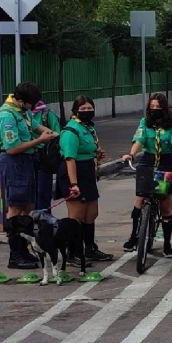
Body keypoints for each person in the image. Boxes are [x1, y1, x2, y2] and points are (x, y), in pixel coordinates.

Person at [0, 82, 58, 269]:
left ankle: (26, 249)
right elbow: (12, 148)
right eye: (31, 103)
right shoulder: (7, 116)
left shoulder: (22, 112)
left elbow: (36, 126)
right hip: (14, 162)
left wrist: (48, 133)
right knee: (15, 207)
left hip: (27, 161)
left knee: (28, 206)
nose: (33, 107)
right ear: (21, 100)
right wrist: (39, 140)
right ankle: (16, 254)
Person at [121, 93, 172, 256]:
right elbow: (139, 140)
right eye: (152, 107)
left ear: (164, 109)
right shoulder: (145, 123)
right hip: (147, 161)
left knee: (165, 205)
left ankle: (166, 245)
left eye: (158, 107)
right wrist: (131, 154)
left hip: (165, 162)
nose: (155, 110)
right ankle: (133, 237)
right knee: (140, 199)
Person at [57, 95, 114, 263]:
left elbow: (88, 147)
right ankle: (72, 253)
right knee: (76, 215)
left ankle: (89, 249)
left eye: (90, 108)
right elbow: (69, 159)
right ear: (75, 111)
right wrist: (73, 184)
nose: (87, 111)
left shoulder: (88, 127)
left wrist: (96, 152)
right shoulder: (71, 130)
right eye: (83, 109)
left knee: (91, 213)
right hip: (74, 172)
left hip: (87, 171)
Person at [32, 100, 62, 211]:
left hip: (44, 157)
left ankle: (44, 221)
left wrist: (43, 139)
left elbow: (57, 134)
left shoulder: (47, 114)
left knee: (43, 191)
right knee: (29, 193)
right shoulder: (21, 115)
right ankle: (32, 221)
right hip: (27, 156)